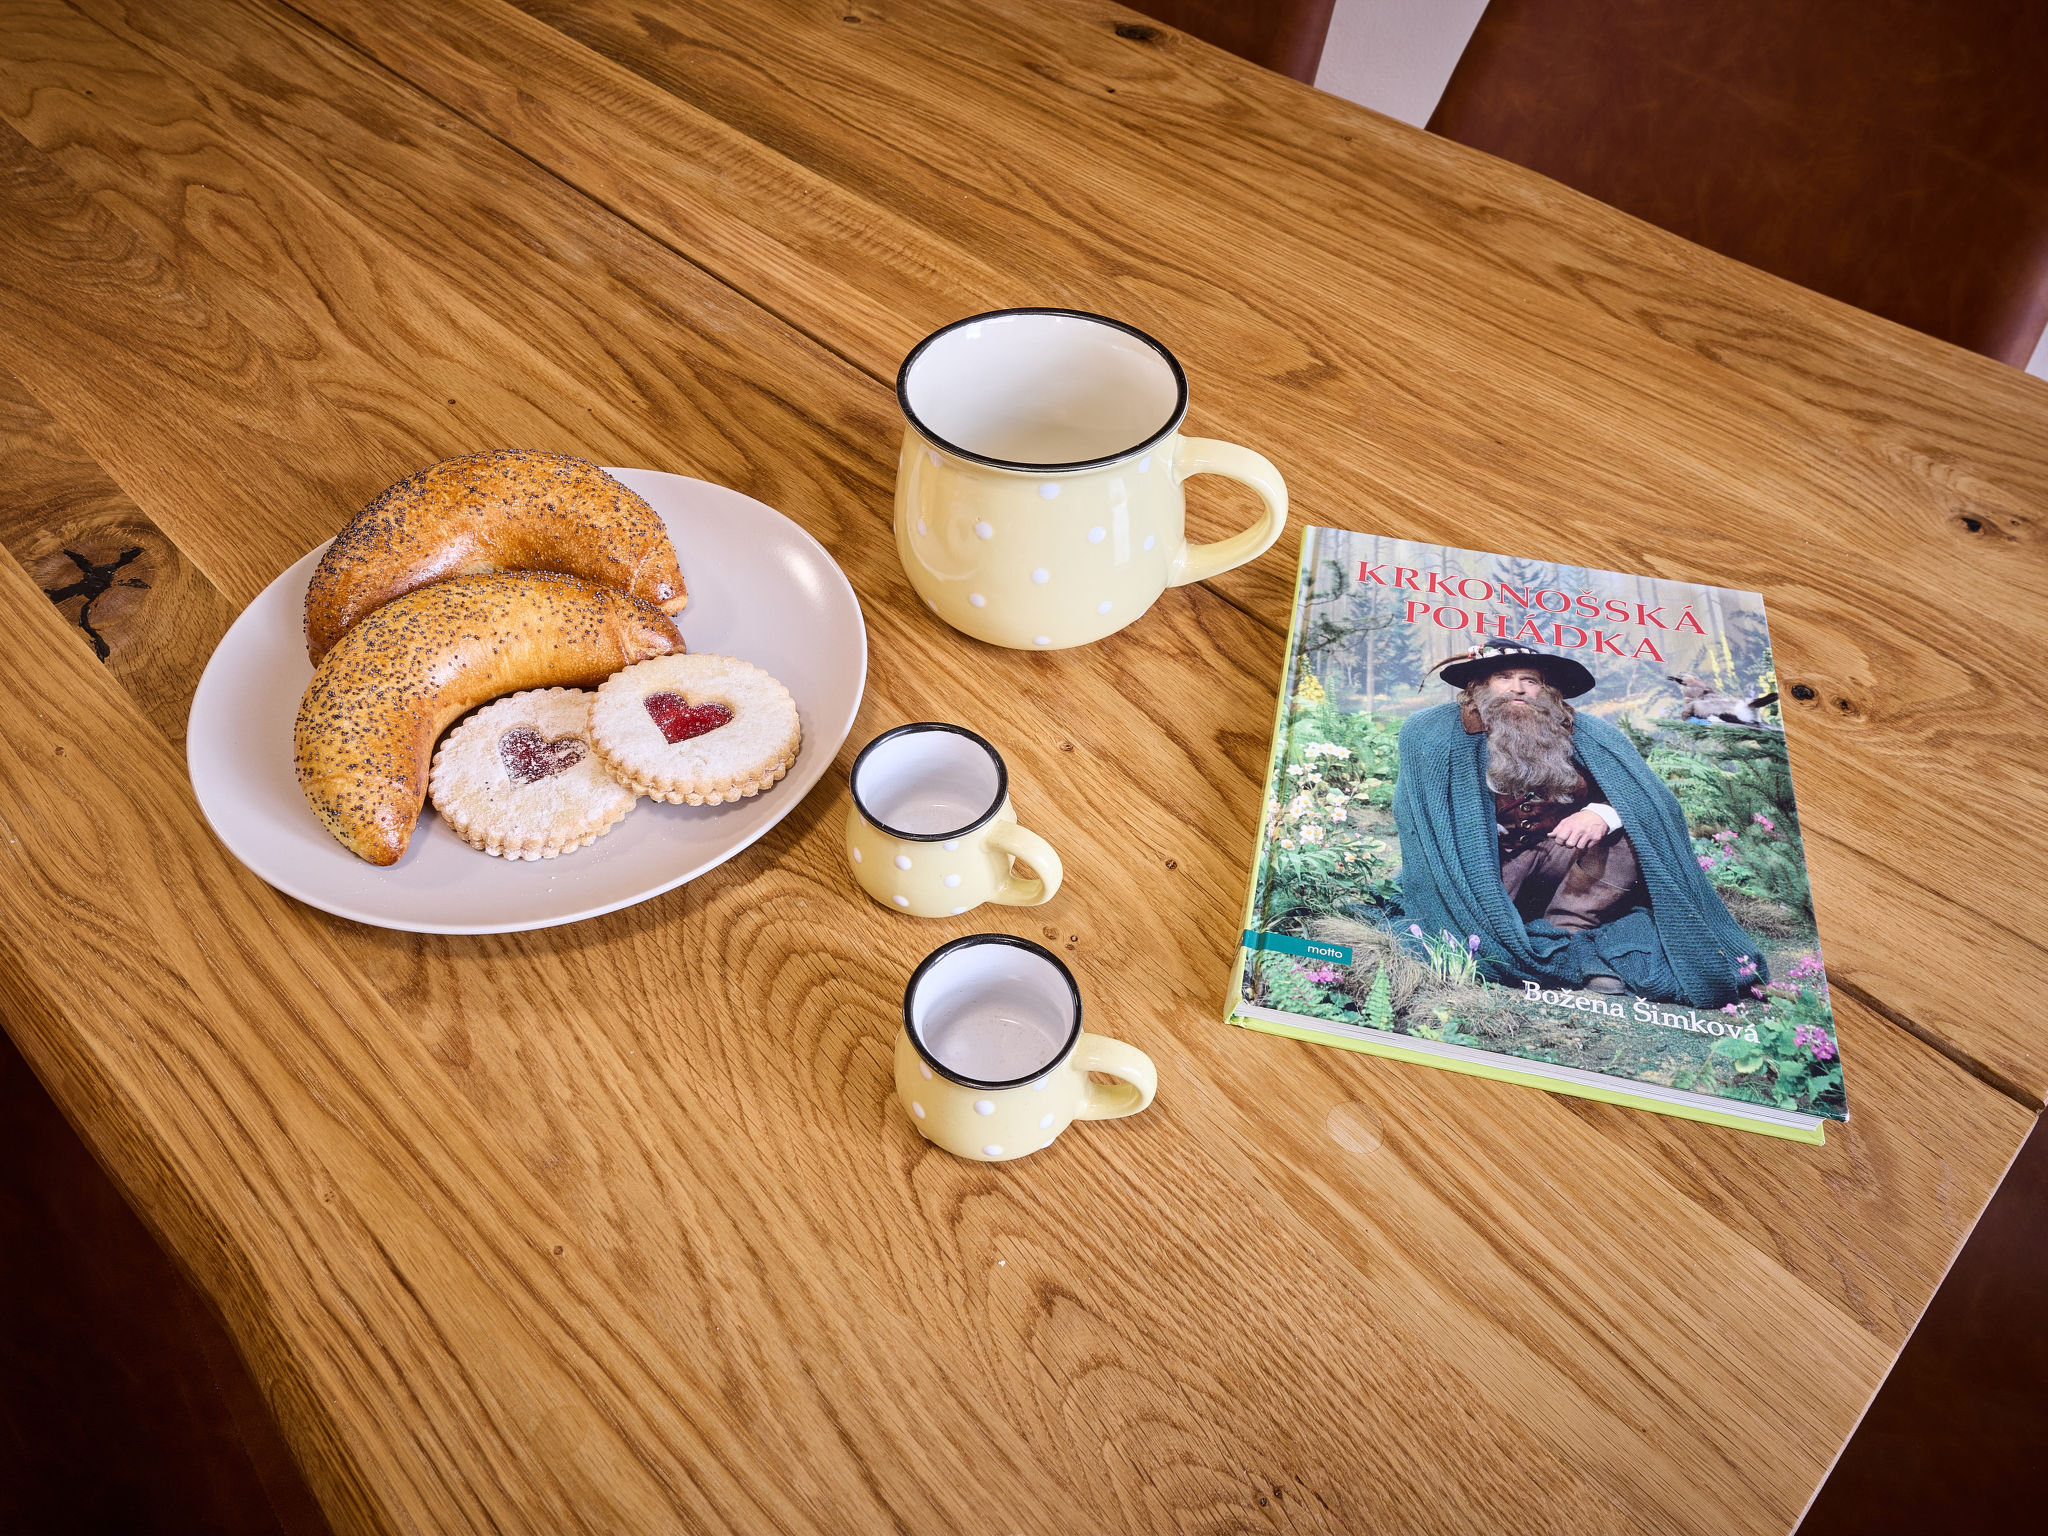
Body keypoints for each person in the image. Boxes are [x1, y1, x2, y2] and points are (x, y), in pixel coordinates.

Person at [1393, 640, 1766, 1007]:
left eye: (1530, 679)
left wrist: (1600, 814)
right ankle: (1513, 936)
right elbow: (1421, 819)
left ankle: (1564, 932)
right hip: (1482, 871)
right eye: (1503, 677)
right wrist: (1470, 830)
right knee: (1466, 921)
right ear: (1479, 685)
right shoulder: (1433, 732)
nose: (1518, 687)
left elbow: (1653, 804)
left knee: (1630, 834)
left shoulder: (1584, 731)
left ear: (1547, 689)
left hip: (1564, 867)